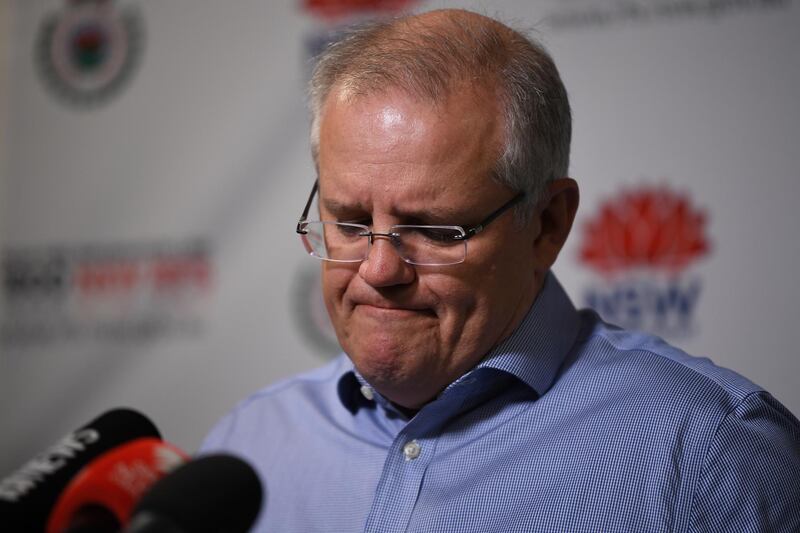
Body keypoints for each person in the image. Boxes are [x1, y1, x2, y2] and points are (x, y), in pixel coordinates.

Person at [201, 9, 800, 532]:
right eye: (351, 224)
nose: (379, 270)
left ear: (547, 226)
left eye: (435, 230)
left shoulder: (713, 457)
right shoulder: (248, 444)